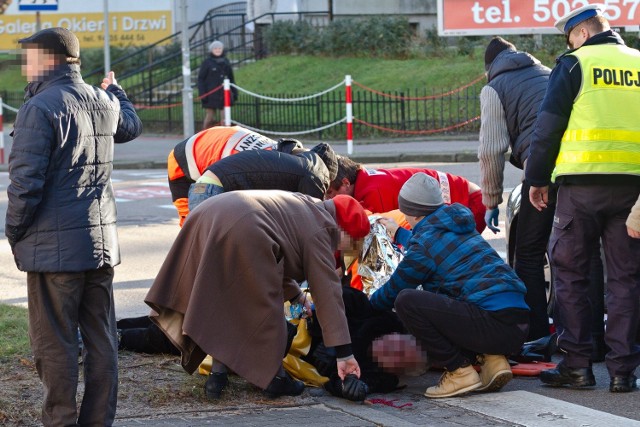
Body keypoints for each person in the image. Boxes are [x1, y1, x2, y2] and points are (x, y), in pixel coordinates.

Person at [4, 27, 142, 425]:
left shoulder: (40, 107)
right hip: (100, 245)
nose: (24, 66)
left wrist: (15, 232)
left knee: (55, 345)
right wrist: (116, 91)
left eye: (29, 57)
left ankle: (61, 421)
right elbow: (129, 126)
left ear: (50, 60)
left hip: (54, 252)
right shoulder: (102, 101)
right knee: (101, 341)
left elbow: (24, 184)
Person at [145, 192, 370, 400]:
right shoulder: (323, 230)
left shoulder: (305, 205)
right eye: (352, 242)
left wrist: (295, 297)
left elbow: (277, 254)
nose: (347, 250)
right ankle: (275, 378)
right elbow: (328, 294)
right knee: (264, 309)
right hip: (243, 225)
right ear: (345, 230)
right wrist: (344, 354)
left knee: (223, 300)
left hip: (209, 212)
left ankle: (218, 375)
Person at [526, 4, 640, 393]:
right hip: (632, 190)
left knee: (571, 274)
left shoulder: (576, 64)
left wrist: (537, 178)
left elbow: (548, 126)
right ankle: (624, 371)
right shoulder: (638, 62)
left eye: (569, 37)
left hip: (581, 189)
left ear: (583, 34)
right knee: (625, 278)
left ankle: (576, 366)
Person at [369, 173, 530, 398]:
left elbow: (393, 290)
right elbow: (432, 246)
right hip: (518, 325)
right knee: (461, 293)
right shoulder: (459, 226)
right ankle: (494, 361)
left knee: (407, 301)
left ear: (411, 212)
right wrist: (399, 234)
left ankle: (458, 372)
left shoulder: (424, 246)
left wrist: (366, 303)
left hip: (491, 325)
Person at [479, 36, 553, 342]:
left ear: (489, 67)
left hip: (541, 171)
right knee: (579, 256)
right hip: (579, 168)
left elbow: (491, 149)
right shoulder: (549, 73)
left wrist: (491, 200)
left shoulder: (495, 87)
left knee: (529, 255)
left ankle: (536, 335)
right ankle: (590, 338)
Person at [327, 155, 487, 233]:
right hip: (467, 198)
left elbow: (380, 236)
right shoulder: (366, 179)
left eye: (330, 193)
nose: (328, 199)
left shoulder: (372, 194)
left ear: (346, 183)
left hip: (471, 203)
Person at [187, 142, 338, 212]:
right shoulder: (316, 171)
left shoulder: (291, 160)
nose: (326, 195)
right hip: (214, 191)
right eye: (328, 189)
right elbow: (312, 221)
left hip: (201, 188)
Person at [197, 40, 237, 129]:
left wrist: (234, 93)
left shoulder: (226, 62)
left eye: (219, 48)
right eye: (215, 48)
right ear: (211, 50)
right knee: (210, 117)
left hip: (224, 94)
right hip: (210, 94)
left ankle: (224, 137)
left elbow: (231, 78)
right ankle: (204, 134)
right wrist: (203, 94)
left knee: (225, 118)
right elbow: (201, 79)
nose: (217, 50)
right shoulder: (207, 63)